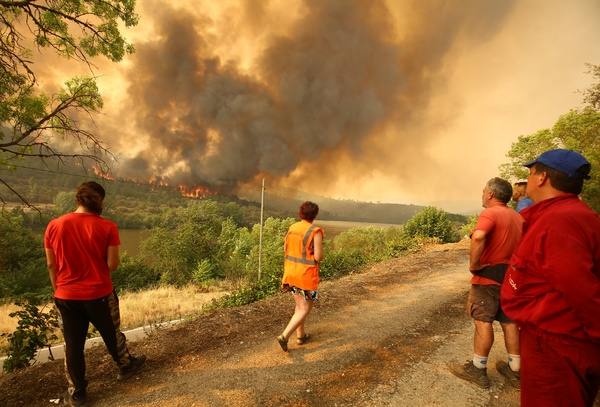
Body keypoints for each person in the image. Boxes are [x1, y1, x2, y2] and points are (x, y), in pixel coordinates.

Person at [501, 149, 600, 406]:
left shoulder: (560, 221)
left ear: (542, 177)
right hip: (554, 341)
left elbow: (581, 290)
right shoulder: (565, 215)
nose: (528, 178)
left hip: (557, 347)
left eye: (531, 172)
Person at [44, 182, 146, 406]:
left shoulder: (54, 225)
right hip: (99, 293)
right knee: (112, 332)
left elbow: (51, 265)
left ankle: (78, 392)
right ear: (100, 202)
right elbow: (113, 264)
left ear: (77, 199)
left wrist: (58, 289)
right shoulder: (107, 227)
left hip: (65, 296)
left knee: (73, 344)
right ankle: (126, 366)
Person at [448, 177, 523, 389]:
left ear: (490, 194)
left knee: (483, 320)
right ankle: (515, 370)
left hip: (488, 276)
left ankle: (478, 369)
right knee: (509, 322)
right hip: (511, 278)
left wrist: (474, 264)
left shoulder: (490, 213)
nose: (482, 195)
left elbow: (479, 236)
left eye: (483, 191)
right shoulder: (517, 217)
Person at [277, 201, 324, 352]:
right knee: (304, 308)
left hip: (291, 272)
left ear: (301, 213)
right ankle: (284, 336)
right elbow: (318, 256)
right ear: (315, 215)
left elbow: (285, 248)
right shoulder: (315, 231)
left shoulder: (293, 228)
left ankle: (301, 336)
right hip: (306, 275)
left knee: (299, 306)